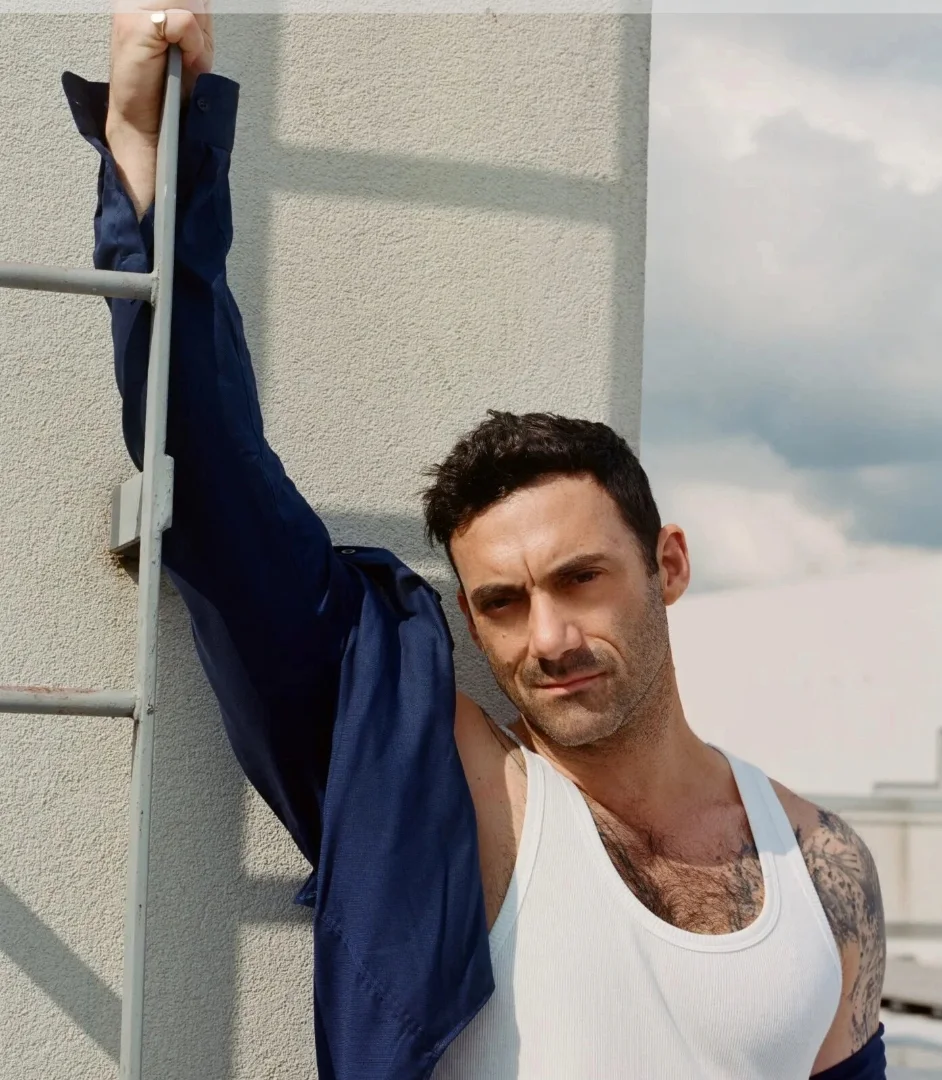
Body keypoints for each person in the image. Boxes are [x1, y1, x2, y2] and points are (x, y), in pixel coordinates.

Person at [63, 6, 887, 1078]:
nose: (548, 637)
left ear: (668, 564)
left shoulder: (825, 866)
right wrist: (148, 157)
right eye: (502, 601)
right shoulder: (433, 783)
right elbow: (217, 489)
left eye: (581, 580)